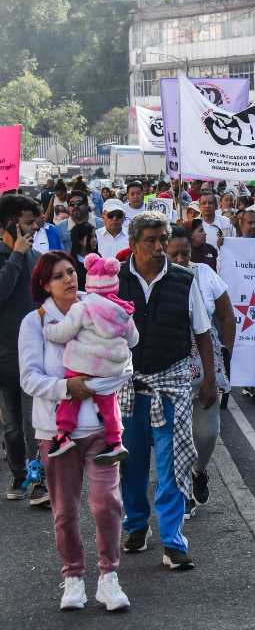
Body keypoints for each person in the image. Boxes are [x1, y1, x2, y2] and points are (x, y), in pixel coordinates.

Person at [18, 251, 130, 611]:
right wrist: (69, 389)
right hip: (55, 432)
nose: (69, 279)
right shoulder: (35, 323)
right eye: (58, 276)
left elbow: (124, 360)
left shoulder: (99, 306)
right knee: (64, 511)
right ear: (44, 285)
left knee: (107, 505)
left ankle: (108, 578)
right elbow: (29, 378)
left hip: (100, 429)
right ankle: (73, 579)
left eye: (71, 272)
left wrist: (95, 386)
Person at [114, 212, 218, 571]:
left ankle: (173, 540)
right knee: (132, 464)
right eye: (151, 241)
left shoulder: (184, 280)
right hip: (127, 387)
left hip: (171, 385)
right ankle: (136, 526)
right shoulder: (112, 281)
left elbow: (202, 333)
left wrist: (208, 379)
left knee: (173, 466)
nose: (159, 247)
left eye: (162, 239)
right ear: (133, 245)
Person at [38, 252, 136, 461]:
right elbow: (134, 339)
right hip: (111, 366)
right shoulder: (123, 309)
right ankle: (115, 441)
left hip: (84, 362)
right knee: (109, 401)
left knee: (71, 393)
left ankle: (63, 434)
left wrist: (47, 330)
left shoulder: (82, 307)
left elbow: (64, 332)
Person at [165, 224, 234, 518]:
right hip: (168, 364)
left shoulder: (205, 274)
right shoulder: (158, 279)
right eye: (175, 254)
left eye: (185, 252)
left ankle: (199, 470)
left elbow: (227, 316)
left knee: (206, 433)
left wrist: (225, 354)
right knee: (174, 435)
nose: (181, 259)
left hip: (205, 361)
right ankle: (183, 494)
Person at [1, 193, 47, 503]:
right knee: (11, 424)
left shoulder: (35, 255)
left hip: (32, 354)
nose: (35, 228)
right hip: (3, 355)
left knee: (35, 421)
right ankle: (18, 474)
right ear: (10, 225)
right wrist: (16, 255)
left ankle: (37, 480)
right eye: (28, 223)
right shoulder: (18, 255)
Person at [69, 222, 99, 289]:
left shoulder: (99, 259)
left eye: (95, 236)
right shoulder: (71, 263)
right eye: (91, 237)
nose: (95, 240)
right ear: (80, 240)